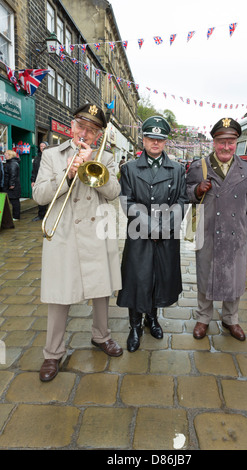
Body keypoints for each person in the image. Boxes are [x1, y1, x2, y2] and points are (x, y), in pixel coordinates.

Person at [32, 103, 123, 382]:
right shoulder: (51, 156)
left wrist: (92, 165)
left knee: (101, 291)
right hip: (64, 233)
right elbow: (38, 195)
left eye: (93, 130)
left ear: (98, 135)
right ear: (72, 126)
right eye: (81, 126)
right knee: (60, 294)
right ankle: (53, 353)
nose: (85, 133)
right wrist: (68, 173)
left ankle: (101, 336)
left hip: (95, 232)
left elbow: (114, 192)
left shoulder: (106, 157)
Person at [186, 117, 247, 341]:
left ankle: (231, 318)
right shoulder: (198, 167)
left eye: (231, 142)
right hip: (208, 232)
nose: (226, 147)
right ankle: (203, 317)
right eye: (222, 141)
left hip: (236, 233)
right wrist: (197, 191)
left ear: (236, 143)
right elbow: (185, 194)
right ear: (214, 142)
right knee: (205, 274)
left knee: (235, 277)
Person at [117, 116, 189, 352]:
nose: (155, 143)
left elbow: (181, 200)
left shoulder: (177, 169)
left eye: (160, 139)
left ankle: (153, 319)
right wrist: (150, 225)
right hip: (139, 233)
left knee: (160, 277)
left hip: (166, 234)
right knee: (137, 278)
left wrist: (165, 225)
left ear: (165, 141)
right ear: (143, 140)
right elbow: (127, 200)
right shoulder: (129, 168)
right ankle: (135, 326)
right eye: (150, 138)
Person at [31, 141, 49, 221]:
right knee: (40, 197)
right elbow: (34, 170)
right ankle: (41, 215)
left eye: (44, 146)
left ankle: (49, 214)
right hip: (39, 180)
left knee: (49, 197)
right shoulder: (37, 158)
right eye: (41, 146)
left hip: (49, 180)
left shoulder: (50, 157)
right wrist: (33, 180)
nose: (42, 147)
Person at [3, 150, 21, 220]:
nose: (5, 155)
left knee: (14, 201)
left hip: (12, 187)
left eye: (6, 154)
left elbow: (13, 175)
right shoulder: (11, 163)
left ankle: (16, 216)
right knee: (13, 201)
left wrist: (11, 184)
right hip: (10, 185)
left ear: (10, 155)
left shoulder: (13, 164)